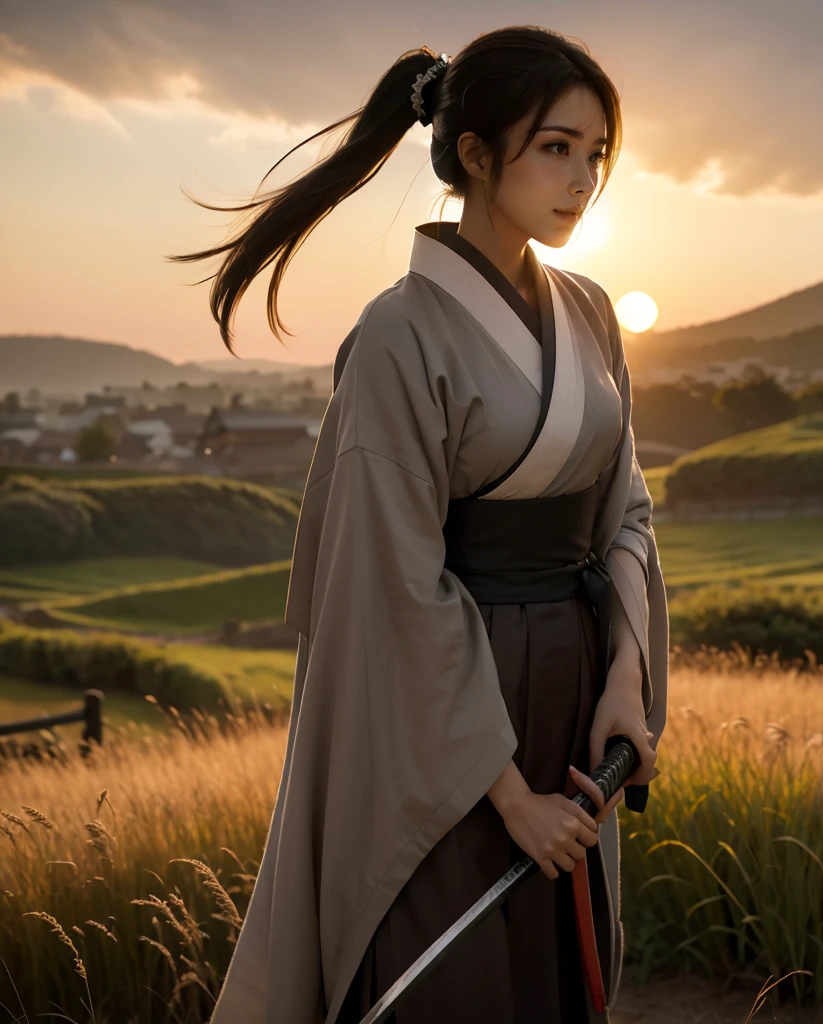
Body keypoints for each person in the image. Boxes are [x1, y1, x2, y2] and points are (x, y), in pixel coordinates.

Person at [172, 25, 668, 1024]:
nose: (582, 180)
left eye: (596, 154)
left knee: (556, 972)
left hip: (575, 689)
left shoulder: (593, 312)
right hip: (445, 717)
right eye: (556, 148)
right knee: (450, 976)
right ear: (477, 154)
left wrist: (626, 685)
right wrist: (508, 796)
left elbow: (626, 513)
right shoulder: (397, 334)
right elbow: (396, 584)